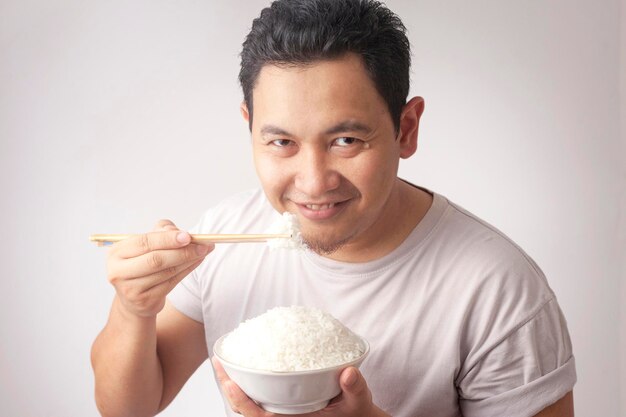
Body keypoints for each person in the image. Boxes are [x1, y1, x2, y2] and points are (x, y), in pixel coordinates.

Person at [90, 0, 576, 416]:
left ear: (405, 130)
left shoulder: (499, 288)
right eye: (281, 141)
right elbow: (130, 405)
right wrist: (134, 309)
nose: (314, 181)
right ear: (250, 128)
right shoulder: (224, 236)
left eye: (346, 140)